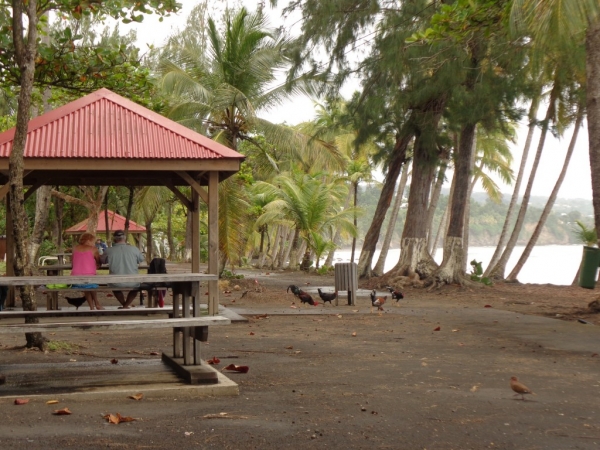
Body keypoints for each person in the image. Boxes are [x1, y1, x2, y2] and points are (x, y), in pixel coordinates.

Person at [101, 230, 144, 309]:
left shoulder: (109, 250)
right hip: (133, 281)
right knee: (136, 288)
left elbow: (102, 261)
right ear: (125, 238)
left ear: (114, 239)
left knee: (114, 287)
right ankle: (125, 306)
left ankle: (124, 305)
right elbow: (141, 259)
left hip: (116, 282)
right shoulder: (134, 249)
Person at [71, 232, 103, 310]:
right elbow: (99, 261)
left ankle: (92, 307)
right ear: (88, 240)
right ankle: (97, 303)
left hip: (76, 278)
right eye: (93, 241)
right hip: (89, 276)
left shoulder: (75, 248)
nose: (94, 243)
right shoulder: (93, 249)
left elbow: (72, 262)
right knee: (91, 285)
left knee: (87, 287)